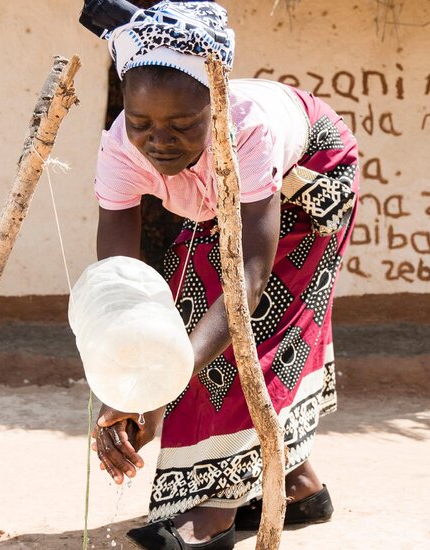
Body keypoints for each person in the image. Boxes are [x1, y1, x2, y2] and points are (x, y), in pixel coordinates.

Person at [80, 2, 359, 548]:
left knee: (256, 335)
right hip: (227, 205)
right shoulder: (119, 147)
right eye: (142, 123)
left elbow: (249, 276)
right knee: (183, 319)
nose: (159, 139)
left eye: (182, 124)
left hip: (310, 181)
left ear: (215, 106)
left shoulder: (246, 131)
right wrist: (129, 382)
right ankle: (301, 487)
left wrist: (158, 386)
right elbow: (121, 287)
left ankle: (215, 512)